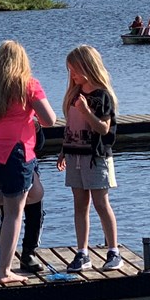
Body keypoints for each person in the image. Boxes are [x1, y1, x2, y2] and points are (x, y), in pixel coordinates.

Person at [0, 41, 56, 284]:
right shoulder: (28, 85)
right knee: (14, 212)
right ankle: (4, 271)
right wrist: (32, 114)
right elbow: (50, 119)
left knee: (34, 193)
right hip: (16, 153)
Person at [56, 45, 121, 272]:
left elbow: (104, 129)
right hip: (75, 155)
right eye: (70, 70)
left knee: (101, 203)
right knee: (79, 204)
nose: (72, 74)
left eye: (75, 69)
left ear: (88, 67)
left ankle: (113, 250)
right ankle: (82, 252)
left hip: (96, 157)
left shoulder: (102, 95)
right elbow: (71, 126)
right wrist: (64, 150)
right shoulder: (74, 94)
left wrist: (86, 111)